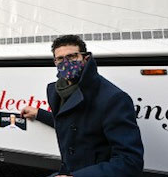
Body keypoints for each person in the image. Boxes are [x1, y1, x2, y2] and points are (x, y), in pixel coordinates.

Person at [20, 35, 144, 176]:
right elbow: (72, 123)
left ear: (85, 58)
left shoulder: (113, 98)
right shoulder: (57, 92)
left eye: (72, 56)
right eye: (60, 59)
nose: (66, 63)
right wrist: (39, 114)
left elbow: (130, 161)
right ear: (55, 62)